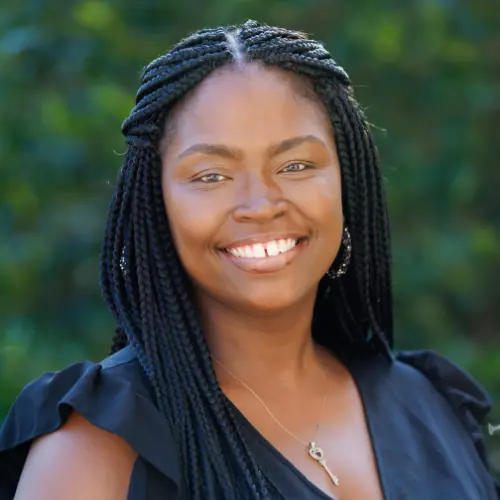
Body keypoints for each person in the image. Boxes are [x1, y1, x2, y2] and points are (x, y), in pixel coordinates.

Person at [0, 20, 498, 500]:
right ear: (157, 206)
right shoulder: (97, 449)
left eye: (296, 165)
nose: (261, 204)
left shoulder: (430, 405)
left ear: (347, 180)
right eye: (211, 175)